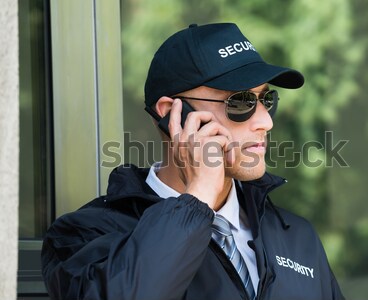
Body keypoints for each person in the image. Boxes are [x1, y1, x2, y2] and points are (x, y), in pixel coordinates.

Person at [41, 23, 345, 300]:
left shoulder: (298, 236)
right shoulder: (84, 233)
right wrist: (197, 199)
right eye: (240, 102)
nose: (265, 121)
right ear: (172, 112)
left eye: (266, 100)